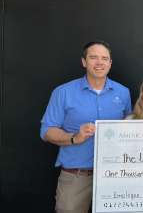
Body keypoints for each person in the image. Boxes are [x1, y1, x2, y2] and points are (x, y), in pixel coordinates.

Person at [40, 40, 132, 213]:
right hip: (76, 177)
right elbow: (46, 131)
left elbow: (129, 131)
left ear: (110, 64)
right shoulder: (63, 92)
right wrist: (75, 137)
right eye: (93, 58)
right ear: (84, 61)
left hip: (114, 177)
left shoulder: (123, 93)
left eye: (104, 58)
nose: (99, 62)